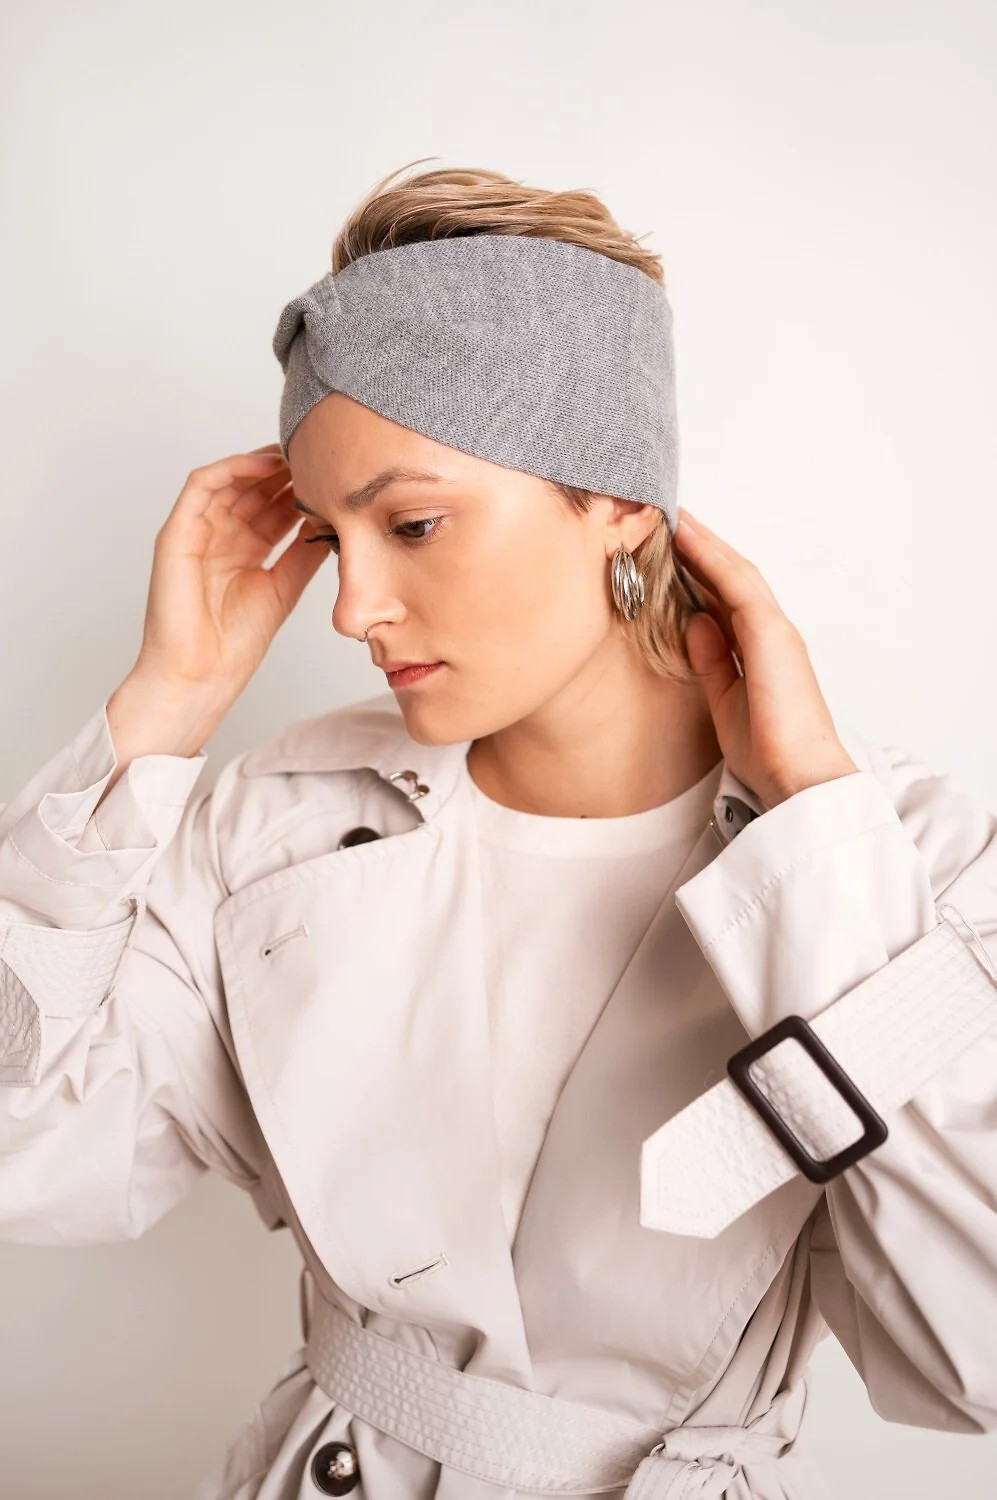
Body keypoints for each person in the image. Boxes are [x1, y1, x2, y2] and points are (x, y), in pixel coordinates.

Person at [2, 160, 996, 1500]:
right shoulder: (284, 818)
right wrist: (161, 709)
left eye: (413, 523)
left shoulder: (909, 866)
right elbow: (27, 1157)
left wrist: (814, 834)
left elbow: (975, 1355)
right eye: (329, 535)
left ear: (620, 500)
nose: (350, 609)